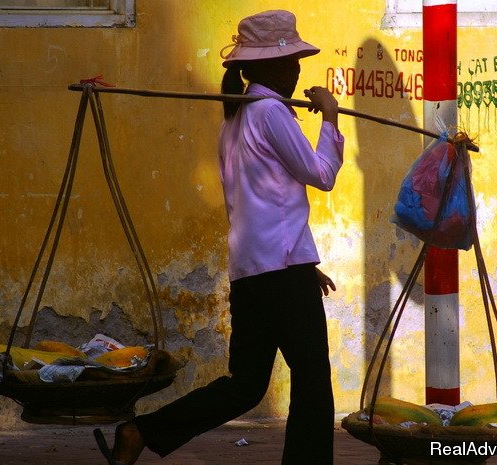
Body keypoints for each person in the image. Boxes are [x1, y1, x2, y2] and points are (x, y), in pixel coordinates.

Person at [93, 9, 343, 465]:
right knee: (312, 380)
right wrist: (330, 118)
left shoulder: (236, 121)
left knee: (245, 385)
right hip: (280, 271)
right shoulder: (270, 111)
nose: (297, 68)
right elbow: (321, 174)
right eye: (290, 62)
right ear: (270, 68)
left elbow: (265, 205)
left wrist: (305, 262)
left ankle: (141, 431)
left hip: (255, 271)